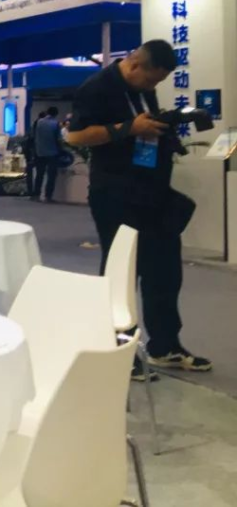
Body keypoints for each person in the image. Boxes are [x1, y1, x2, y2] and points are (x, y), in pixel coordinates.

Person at [66, 40, 211, 376]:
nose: (152, 86)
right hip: (115, 194)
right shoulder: (97, 88)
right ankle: (118, 349)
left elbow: (145, 126)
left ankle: (165, 345)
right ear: (134, 65)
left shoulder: (144, 90)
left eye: (157, 82)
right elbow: (76, 137)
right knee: (123, 271)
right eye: (150, 79)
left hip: (153, 193)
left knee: (165, 270)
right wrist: (130, 128)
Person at [32, 106, 62, 202]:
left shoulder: (39, 122)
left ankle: (36, 194)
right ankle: (48, 196)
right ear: (56, 114)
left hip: (39, 151)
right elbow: (58, 139)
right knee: (51, 175)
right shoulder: (56, 124)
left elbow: (34, 135)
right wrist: (60, 150)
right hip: (52, 152)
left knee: (39, 174)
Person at [23, 111, 46, 196]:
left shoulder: (33, 126)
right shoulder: (39, 126)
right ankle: (36, 192)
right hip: (35, 153)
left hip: (30, 153)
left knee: (31, 173)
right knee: (39, 173)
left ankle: (31, 191)